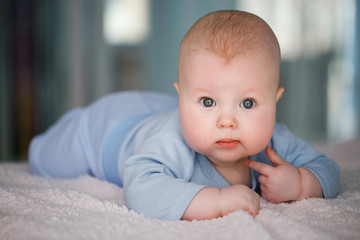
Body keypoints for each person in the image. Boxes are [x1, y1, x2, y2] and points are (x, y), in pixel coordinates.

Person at [29, 10, 340, 221]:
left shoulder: (275, 142)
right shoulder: (171, 142)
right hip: (108, 131)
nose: (227, 121)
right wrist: (216, 202)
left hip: (159, 110)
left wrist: (301, 183)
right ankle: (69, 125)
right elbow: (140, 189)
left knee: (172, 114)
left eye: (247, 104)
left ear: (275, 101)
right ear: (183, 96)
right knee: (47, 159)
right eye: (208, 101)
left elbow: (328, 169)